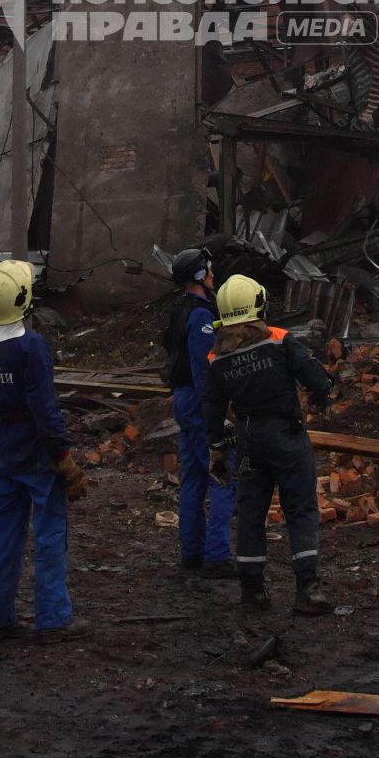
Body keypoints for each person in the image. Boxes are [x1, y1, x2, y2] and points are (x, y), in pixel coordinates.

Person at [0, 258, 88, 645]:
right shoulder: (31, 347)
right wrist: (64, 460)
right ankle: (53, 618)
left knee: (0, 531)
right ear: (22, 299)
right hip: (33, 449)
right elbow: (45, 409)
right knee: (49, 530)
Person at [202, 274, 335, 617]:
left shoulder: (217, 357)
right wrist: (324, 390)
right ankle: (307, 589)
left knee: (250, 513)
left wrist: (217, 448)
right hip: (286, 435)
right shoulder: (280, 340)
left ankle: (252, 592)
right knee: (301, 509)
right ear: (258, 305)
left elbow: (212, 409)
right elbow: (318, 380)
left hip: (248, 441)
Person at [164, 244, 234, 578]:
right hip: (198, 402)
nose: (213, 275)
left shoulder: (179, 308)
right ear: (198, 275)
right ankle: (217, 555)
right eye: (208, 270)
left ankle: (191, 552)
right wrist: (216, 417)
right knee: (221, 474)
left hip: (183, 400)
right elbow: (203, 368)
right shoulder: (201, 315)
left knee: (192, 476)